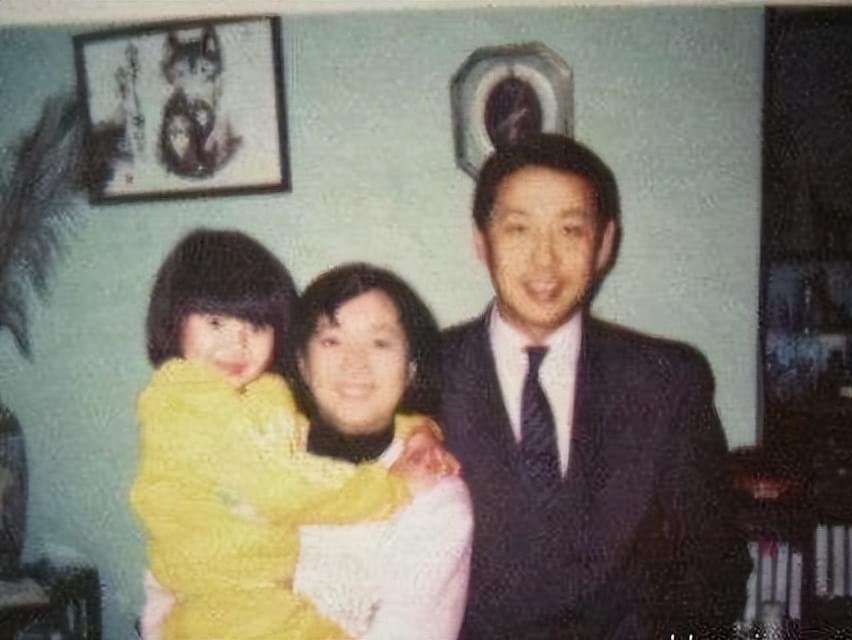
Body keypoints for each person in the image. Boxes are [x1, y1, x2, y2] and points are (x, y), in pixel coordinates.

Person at [439, 133, 752, 638]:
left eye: (570, 230)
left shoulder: (668, 382)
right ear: (482, 242)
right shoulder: (422, 374)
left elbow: (714, 568)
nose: (544, 260)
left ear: (604, 244)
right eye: (518, 229)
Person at [130, 229, 451, 640]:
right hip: (223, 599)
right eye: (215, 322)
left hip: (255, 594)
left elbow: (305, 432)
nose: (237, 344)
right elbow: (280, 486)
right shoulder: (181, 400)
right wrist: (393, 487)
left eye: (256, 325)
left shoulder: (259, 394)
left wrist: (418, 431)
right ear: (174, 321)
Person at [289, 262, 473, 640]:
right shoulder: (256, 453)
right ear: (302, 364)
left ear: (411, 369)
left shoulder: (434, 495)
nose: (355, 363)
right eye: (332, 340)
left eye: (380, 343)